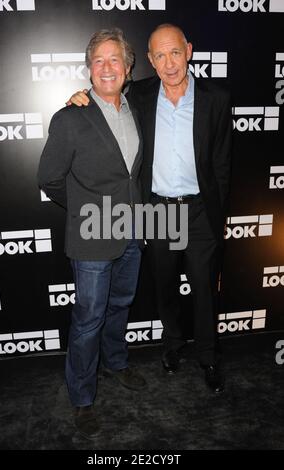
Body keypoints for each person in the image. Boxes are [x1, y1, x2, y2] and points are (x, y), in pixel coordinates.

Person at [68, 24, 232, 394]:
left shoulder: (217, 99)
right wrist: (78, 98)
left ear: (188, 51)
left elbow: (222, 163)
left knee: (204, 289)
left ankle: (208, 355)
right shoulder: (139, 95)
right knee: (165, 288)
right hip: (157, 211)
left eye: (175, 52)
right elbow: (103, 99)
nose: (168, 63)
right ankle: (172, 347)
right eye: (159, 55)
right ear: (149, 61)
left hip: (200, 211)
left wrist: (216, 214)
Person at [38, 28, 146, 440]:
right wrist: (88, 213)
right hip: (92, 235)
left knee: (121, 304)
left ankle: (115, 364)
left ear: (128, 67)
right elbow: (49, 178)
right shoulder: (71, 116)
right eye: (98, 60)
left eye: (114, 59)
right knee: (88, 319)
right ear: (88, 68)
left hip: (136, 228)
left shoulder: (139, 106)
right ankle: (82, 397)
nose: (106, 67)